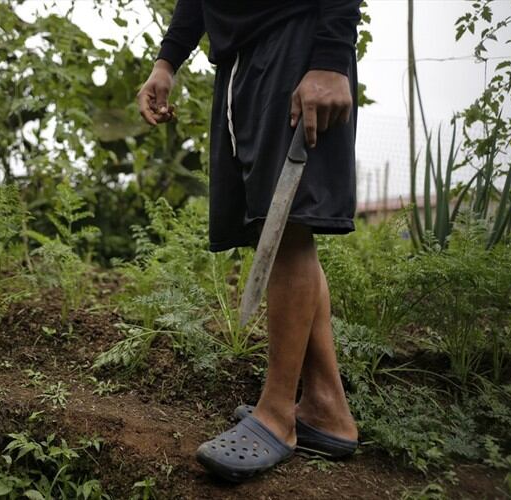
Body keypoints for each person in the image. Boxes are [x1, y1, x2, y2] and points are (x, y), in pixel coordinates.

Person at [136, 0, 362, 483]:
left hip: (299, 43)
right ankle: (326, 408)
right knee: (276, 224)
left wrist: (330, 58)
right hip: (241, 55)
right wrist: (166, 62)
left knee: (287, 228)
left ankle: (277, 417)